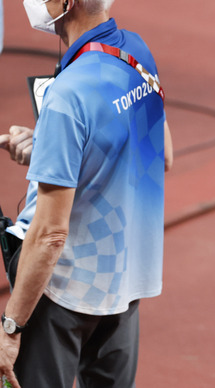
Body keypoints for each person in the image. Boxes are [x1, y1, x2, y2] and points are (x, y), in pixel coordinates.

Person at [0, 0, 171, 387]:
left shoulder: (67, 95)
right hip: (122, 283)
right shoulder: (137, 53)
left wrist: (11, 328)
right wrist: (48, 146)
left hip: (61, 290)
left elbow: (49, 235)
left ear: (65, 2)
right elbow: (161, 155)